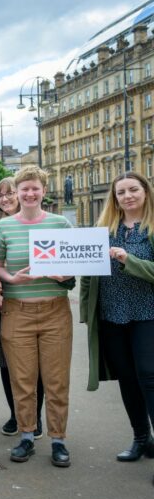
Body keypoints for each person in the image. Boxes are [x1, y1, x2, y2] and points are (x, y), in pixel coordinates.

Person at [0, 166, 75, 467]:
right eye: (24, 189)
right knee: (23, 379)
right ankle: (26, 436)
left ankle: (58, 440)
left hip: (55, 310)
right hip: (18, 312)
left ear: (43, 190)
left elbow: (75, 263)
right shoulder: (4, 227)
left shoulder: (59, 224)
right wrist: (11, 279)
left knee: (56, 380)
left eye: (34, 188)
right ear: (17, 192)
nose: (29, 194)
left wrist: (63, 273)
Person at [80, 172, 154, 475]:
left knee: (149, 376)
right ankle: (141, 438)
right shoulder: (104, 230)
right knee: (126, 377)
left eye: (133, 190)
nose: (127, 196)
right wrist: (86, 312)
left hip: (147, 313)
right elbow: (87, 273)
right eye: (121, 192)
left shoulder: (150, 228)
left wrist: (129, 260)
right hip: (112, 314)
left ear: (145, 192)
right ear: (115, 197)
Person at [0, 177, 45, 438]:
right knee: (7, 365)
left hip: (31, 303)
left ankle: (35, 418)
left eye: (10, 193)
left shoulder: (36, 225)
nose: (6, 198)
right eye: (0, 195)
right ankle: (16, 414)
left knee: (35, 367)